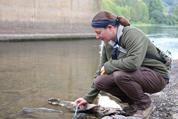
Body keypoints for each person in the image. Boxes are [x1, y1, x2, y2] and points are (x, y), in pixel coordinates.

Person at [74, 11, 169, 117]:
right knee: (100, 81)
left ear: (110, 27)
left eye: (98, 32)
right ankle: (134, 104)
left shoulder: (132, 34)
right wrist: (87, 98)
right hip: (136, 75)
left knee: (119, 75)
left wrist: (109, 66)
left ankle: (145, 105)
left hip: (157, 77)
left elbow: (133, 63)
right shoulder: (108, 43)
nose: (97, 36)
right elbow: (102, 70)